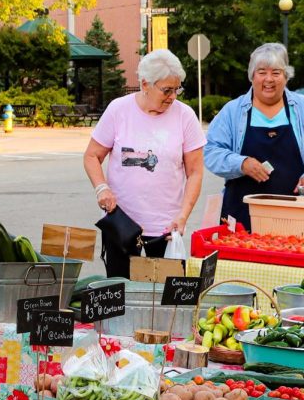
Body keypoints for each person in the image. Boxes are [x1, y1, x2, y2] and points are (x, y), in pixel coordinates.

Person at [83, 49, 205, 278]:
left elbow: (196, 172)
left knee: (160, 300)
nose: (172, 96)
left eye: (176, 89)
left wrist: (183, 216)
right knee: (120, 295)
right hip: (122, 225)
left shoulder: (185, 116)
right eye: (166, 90)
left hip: (166, 230)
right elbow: (92, 156)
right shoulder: (118, 110)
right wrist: (102, 188)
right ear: (145, 84)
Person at [204, 43, 304, 229]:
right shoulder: (232, 111)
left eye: (276, 72)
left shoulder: (301, 109)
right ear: (251, 76)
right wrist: (241, 163)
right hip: (241, 216)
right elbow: (211, 152)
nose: (269, 79)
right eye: (261, 72)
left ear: (286, 76)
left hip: (295, 216)